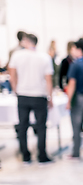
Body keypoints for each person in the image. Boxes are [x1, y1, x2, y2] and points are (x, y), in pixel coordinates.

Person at [8, 33, 54, 164]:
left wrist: (16, 90)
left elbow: (12, 76)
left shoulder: (17, 56)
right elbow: (48, 80)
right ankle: (42, 155)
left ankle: (25, 156)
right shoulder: (44, 57)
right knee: (40, 127)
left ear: (26, 41)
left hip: (23, 94)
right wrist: (50, 97)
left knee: (23, 126)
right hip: (39, 95)